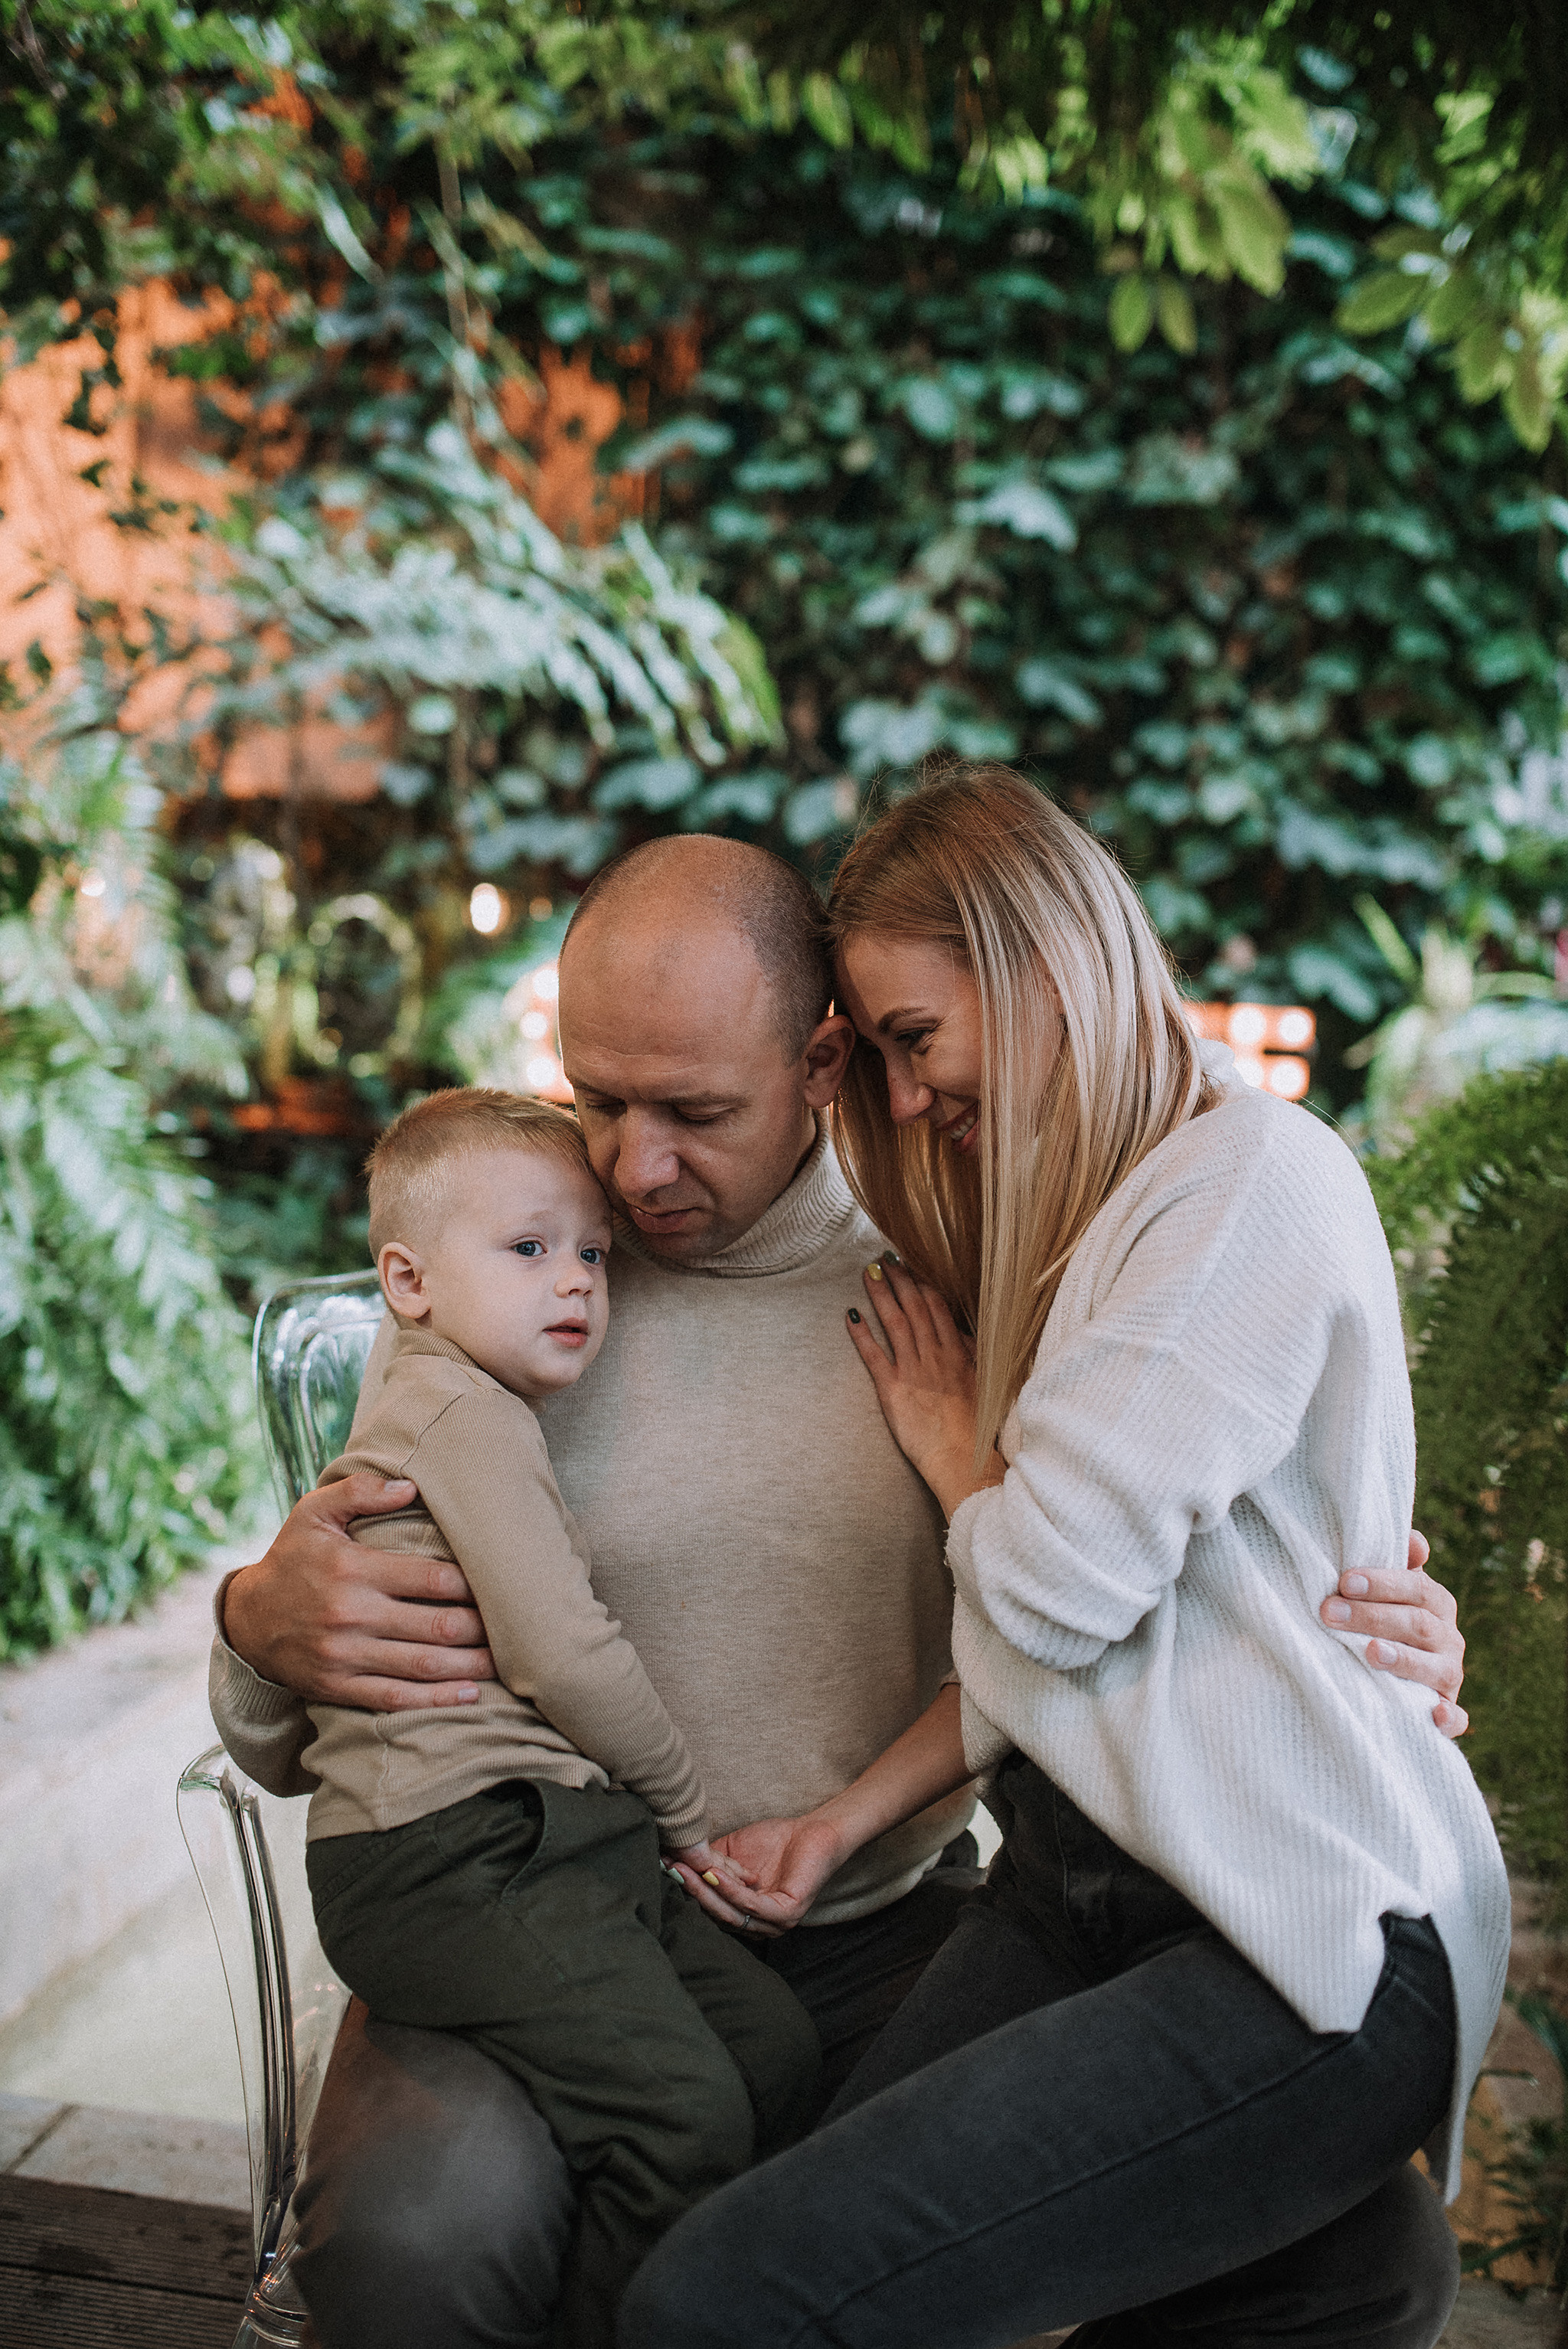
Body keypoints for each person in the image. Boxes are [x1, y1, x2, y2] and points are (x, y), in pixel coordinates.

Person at [210, 835, 1470, 2349]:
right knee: (420, 2239)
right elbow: (304, 1690)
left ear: (823, 1060)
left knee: (1357, 2246)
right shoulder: (519, 1255)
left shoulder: (966, 1262)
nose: (632, 1166)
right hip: (549, 1905)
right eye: (597, 1096)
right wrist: (256, 1636)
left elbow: (1143, 1549)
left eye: (693, 1110)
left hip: (881, 1922)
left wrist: (1371, 1633)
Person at [617, 767, 1509, 2349]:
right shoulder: (1089, 1224)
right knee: (802, 2253)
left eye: (913, 1037)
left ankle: (1342, 2252)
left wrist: (968, 1458)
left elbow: (1042, 1590)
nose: (902, 1099)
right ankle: (1345, 2269)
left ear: (1038, 970)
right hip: (1083, 1888)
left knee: (727, 2300)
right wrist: (845, 1817)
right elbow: (1053, 1653)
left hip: (1286, 1927)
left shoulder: (1246, 1184)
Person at [292, 1086, 816, 2349]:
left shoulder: (461, 1391)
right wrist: (688, 1812)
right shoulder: (458, 1411)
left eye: (591, 1252)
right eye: (529, 1252)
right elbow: (564, 1655)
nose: (577, 1282)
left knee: (777, 2051)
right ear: (408, 1282)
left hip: (557, 1842)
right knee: (684, 2116)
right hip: (448, 1855)